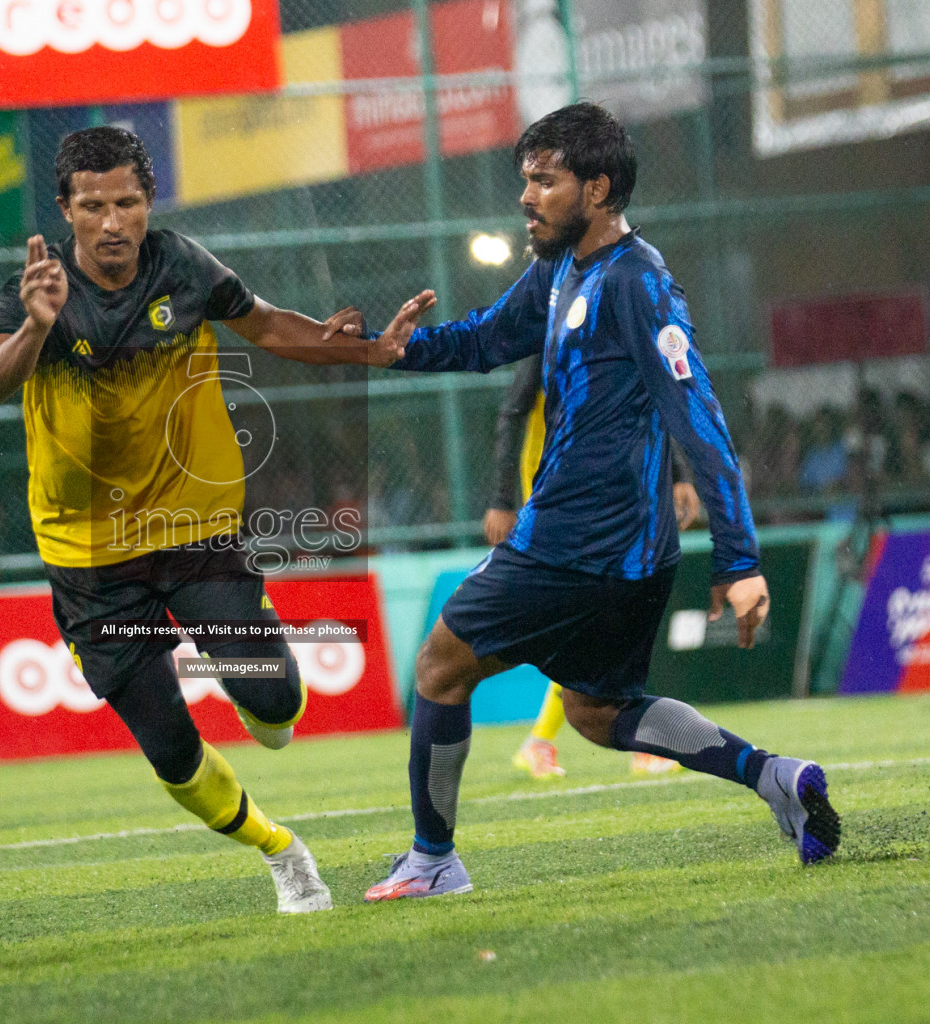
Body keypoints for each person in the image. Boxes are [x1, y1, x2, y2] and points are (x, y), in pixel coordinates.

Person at [359, 103, 840, 902]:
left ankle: (434, 860)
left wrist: (741, 558)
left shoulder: (639, 282)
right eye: (526, 179)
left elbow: (700, 415)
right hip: (626, 556)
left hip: (575, 544)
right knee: (596, 712)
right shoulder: (560, 270)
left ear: (599, 187)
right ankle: (775, 779)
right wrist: (400, 348)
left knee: (440, 666)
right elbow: (484, 338)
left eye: (545, 180)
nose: (527, 196)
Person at [0, 126, 414, 914]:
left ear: (149, 205)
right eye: (94, 206)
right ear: (66, 210)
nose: (113, 223)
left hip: (194, 533)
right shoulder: (30, 292)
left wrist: (364, 351)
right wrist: (37, 326)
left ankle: (258, 695)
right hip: (88, 557)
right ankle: (281, 853)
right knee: (173, 751)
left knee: (276, 704)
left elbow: (270, 324)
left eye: (129, 204)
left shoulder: (183, 264)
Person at [486, 353, 697, 779]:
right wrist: (501, 499)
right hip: (553, 498)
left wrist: (678, 474)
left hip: (607, 489)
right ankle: (635, 741)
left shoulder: (620, 320)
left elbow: (652, 396)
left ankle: (543, 741)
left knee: (603, 614)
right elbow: (513, 412)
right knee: (603, 611)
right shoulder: (548, 327)